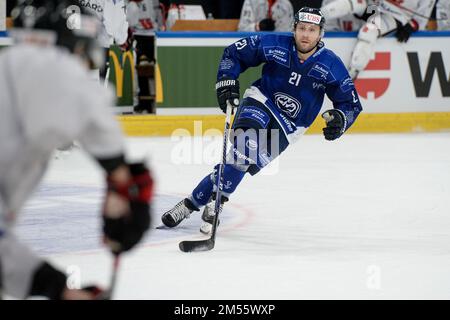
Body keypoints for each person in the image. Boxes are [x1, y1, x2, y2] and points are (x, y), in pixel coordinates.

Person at [0, 0, 154, 300]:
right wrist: (123, 181)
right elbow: (86, 103)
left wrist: (61, 290)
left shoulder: (13, 81)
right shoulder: (44, 66)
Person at [161, 7, 363, 234]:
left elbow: (350, 104)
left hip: (291, 127)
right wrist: (227, 80)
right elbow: (234, 53)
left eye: (312, 30)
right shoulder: (274, 44)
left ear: (320, 34)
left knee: (238, 164)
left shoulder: (331, 65)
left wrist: (341, 120)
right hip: (261, 101)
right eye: (302, 28)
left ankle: (190, 204)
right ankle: (216, 204)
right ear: (294, 29)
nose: (306, 35)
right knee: (244, 149)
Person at [320, 0, 436, 79]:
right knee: (347, 4)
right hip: (373, 6)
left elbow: (422, 15)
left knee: (368, 32)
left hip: (395, 16)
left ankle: (351, 75)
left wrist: (412, 24)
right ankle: (313, 19)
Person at [77, 0, 132, 80]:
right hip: (100, 45)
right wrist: (121, 38)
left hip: (77, 41)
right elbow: (113, 29)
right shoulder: (114, 2)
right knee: (94, 81)